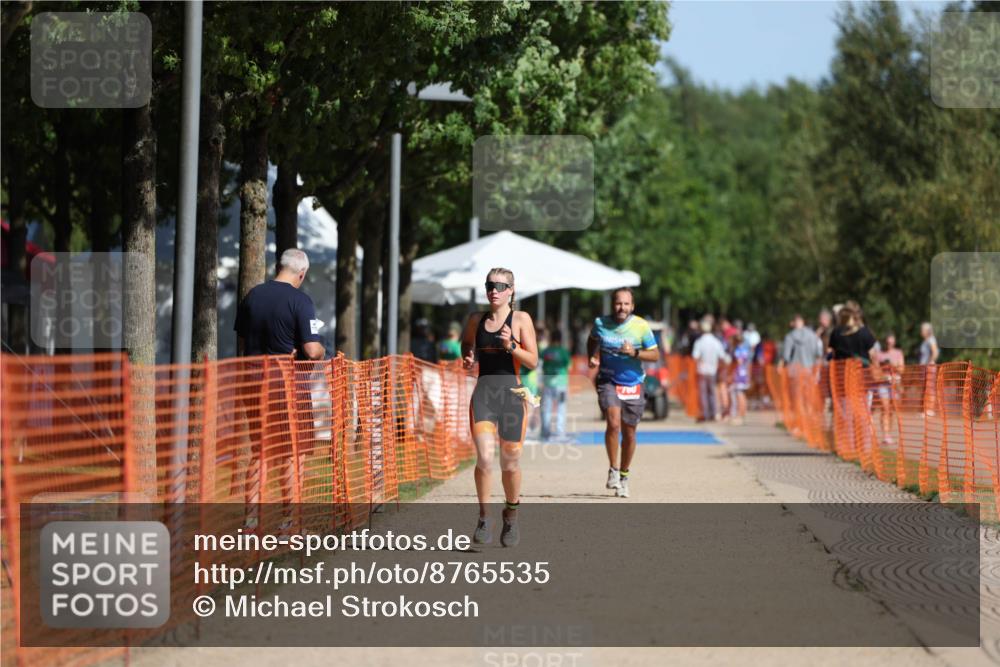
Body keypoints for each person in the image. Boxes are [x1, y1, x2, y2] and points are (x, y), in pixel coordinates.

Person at [234, 248, 325, 526]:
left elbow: (242, 341)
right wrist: (322, 349)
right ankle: (289, 522)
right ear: (302, 273)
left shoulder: (252, 296)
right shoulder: (301, 300)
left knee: (260, 450)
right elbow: (311, 350)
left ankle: (250, 522)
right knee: (292, 452)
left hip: (252, 381)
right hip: (287, 386)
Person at [461, 268, 537, 547]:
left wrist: (512, 346)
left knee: (511, 461)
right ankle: (483, 517)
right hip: (483, 395)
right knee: (483, 457)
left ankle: (511, 514)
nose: (494, 290)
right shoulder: (475, 319)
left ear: (511, 290)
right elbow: (467, 344)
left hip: (512, 396)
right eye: (490, 285)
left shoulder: (520, 319)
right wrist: (468, 357)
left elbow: (533, 361)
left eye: (500, 285)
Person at [587, 288, 659, 498]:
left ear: (632, 306)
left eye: (626, 304)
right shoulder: (601, 323)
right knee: (613, 422)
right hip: (608, 380)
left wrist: (635, 352)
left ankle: (624, 475)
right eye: (619, 303)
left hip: (634, 383)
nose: (622, 308)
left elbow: (655, 355)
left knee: (629, 432)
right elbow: (592, 340)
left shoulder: (641, 326)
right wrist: (591, 357)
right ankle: (613, 469)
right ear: (613, 305)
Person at [692, 318, 730, 423]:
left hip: (702, 371)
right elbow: (722, 356)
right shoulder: (716, 342)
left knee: (703, 393)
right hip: (713, 370)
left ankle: (705, 413)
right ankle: (713, 413)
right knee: (712, 392)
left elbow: (695, 356)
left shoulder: (699, 342)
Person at [540, 329, 571, 441]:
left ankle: (545, 432)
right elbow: (569, 366)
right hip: (561, 383)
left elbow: (539, 365)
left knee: (546, 408)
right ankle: (559, 432)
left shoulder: (545, 351)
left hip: (547, 383)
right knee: (561, 408)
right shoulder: (564, 352)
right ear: (561, 339)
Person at [729, 332, 752, 424]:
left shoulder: (738, 350)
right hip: (744, 372)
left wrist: (733, 373)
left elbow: (739, 362)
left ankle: (739, 414)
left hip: (739, 373)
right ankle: (742, 413)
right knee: (742, 393)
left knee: (738, 393)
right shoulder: (746, 349)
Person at [919, 322, 940, 416]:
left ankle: (929, 410)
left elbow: (935, 352)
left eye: (923, 330)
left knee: (930, 388)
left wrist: (930, 362)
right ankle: (926, 409)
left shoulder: (931, 339)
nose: (921, 332)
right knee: (926, 387)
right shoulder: (926, 340)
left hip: (929, 367)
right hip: (925, 367)